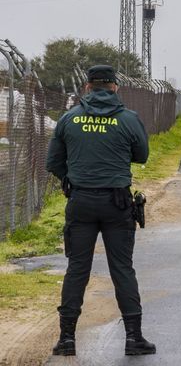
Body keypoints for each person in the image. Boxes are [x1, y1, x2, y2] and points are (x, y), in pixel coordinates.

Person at [45, 65, 156, 357]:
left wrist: (72, 179)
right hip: (117, 203)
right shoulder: (128, 119)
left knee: (77, 270)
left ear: (87, 87)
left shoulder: (69, 118)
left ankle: (67, 339)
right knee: (122, 269)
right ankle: (134, 338)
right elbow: (142, 155)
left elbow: (53, 161)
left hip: (80, 202)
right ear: (115, 87)